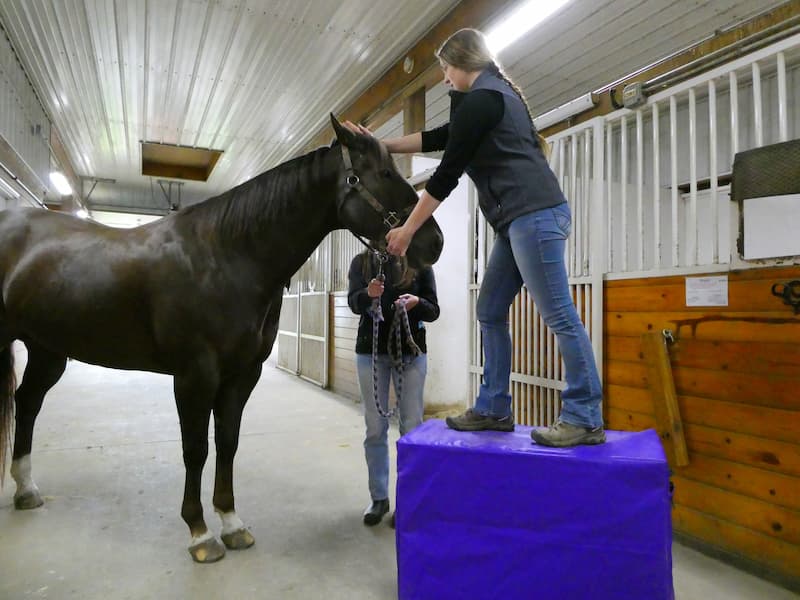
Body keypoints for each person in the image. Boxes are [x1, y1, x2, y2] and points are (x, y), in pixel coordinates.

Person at [344, 28, 604, 448]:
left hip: (535, 215)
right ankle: (494, 407)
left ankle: (585, 415)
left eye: (446, 68)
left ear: (464, 61)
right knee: (490, 309)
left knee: (558, 314)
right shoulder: (485, 99)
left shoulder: (486, 98)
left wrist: (408, 229)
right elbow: (439, 137)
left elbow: (446, 174)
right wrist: (379, 145)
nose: (445, 78)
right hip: (516, 221)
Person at [348, 250, 440, 526]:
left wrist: (417, 303)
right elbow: (353, 302)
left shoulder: (420, 263)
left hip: (410, 353)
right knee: (375, 428)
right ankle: (379, 497)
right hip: (370, 352)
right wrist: (368, 295)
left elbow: (433, 310)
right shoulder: (361, 263)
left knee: (411, 427)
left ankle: (409, 500)